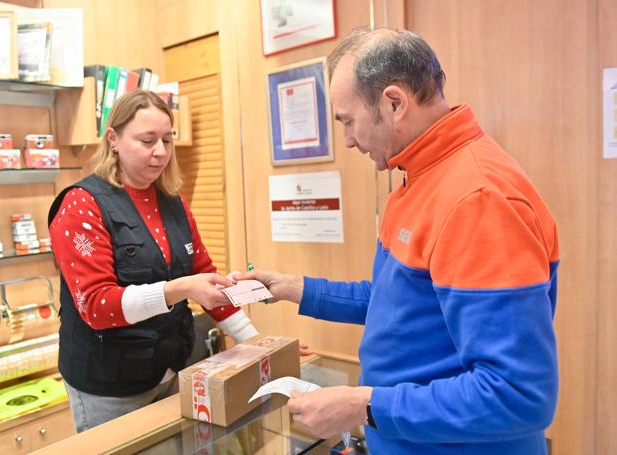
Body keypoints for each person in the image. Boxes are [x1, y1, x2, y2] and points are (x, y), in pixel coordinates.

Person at [238, 27, 559, 454]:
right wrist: (295, 288)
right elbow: (404, 305)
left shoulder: (478, 200)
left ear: (394, 102)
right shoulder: (417, 178)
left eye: (348, 121)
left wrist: (364, 406)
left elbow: (518, 396)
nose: (348, 140)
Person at [48, 89, 259, 432]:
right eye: (147, 141)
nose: (160, 152)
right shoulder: (81, 205)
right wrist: (181, 288)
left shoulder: (173, 203)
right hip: (109, 385)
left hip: (170, 369)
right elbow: (98, 307)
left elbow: (205, 277)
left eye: (167, 140)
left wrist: (257, 344)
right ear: (113, 139)